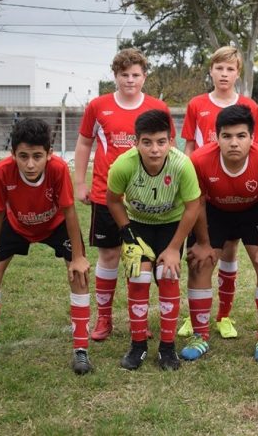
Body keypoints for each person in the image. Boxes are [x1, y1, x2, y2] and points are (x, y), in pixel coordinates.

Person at [0, 118, 92, 375]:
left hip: (55, 224)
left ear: (49, 154)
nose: (30, 164)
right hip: (17, 224)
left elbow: (69, 212)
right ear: (13, 155)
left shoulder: (57, 170)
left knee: (79, 274)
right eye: (23, 156)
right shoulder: (2, 172)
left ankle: (81, 351)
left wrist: (78, 257)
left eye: (37, 156)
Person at [74, 48, 174, 343]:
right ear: (115, 76)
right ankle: (103, 318)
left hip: (148, 198)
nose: (130, 80)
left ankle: (138, 320)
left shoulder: (158, 107)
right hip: (108, 194)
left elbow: (171, 147)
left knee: (144, 257)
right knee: (110, 255)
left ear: (145, 76)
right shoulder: (98, 106)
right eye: (124, 75)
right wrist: (80, 182)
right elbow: (83, 144)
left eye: (136, 75)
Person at [178, 46, 258, 340]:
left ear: (237, 73)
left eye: (230, 69)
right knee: (201, 254)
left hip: (239, 189)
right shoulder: (196, 104)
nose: (224, 74)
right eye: (219, 68)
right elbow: (190, 146)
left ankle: (224, 315)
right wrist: (186, 182)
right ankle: (196, 317)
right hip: (207, 189)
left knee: (230, 253)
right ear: (211, 70)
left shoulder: (249, 107)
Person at [184, 105, 258, 363]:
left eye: (241, 136)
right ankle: (200, 335)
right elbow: (198, 203)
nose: (234, 143)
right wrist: (204, 243)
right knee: (199, 263)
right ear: (216, 138)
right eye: (227, 136)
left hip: (253, 212)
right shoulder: (200, 160)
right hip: (214, 211)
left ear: (253, 138)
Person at [106, 110, 201, 371]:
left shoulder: (182, 165)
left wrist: (173, 249)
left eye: (161, 142)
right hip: (138, 225)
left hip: (171, 226)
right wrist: (127, 233)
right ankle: (138, 346)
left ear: (172, 142)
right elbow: (113, 200)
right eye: (147, 142)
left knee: (168, 274)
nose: (155, 149)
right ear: (136, 142)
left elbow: (193, 207)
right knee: (138, 277)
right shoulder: (124, 165)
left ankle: (167, 349)